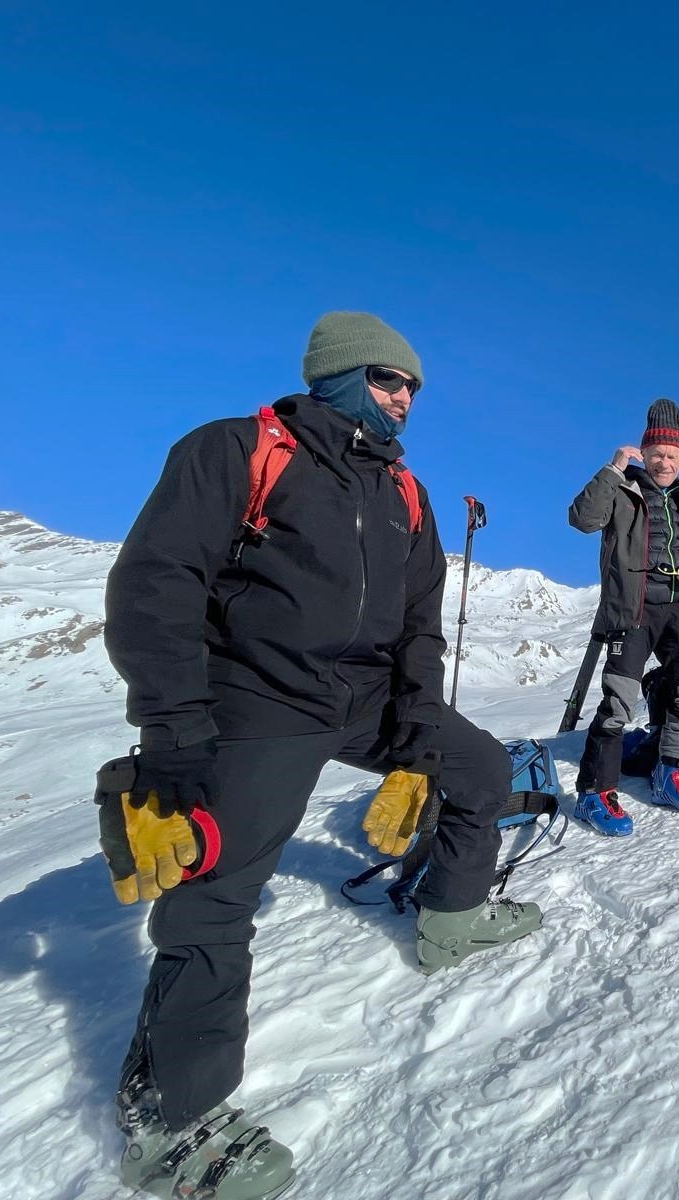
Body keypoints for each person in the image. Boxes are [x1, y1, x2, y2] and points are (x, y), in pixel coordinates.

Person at [102, 312, 541, 1199]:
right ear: (338, 375)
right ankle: (174, 1125)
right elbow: (157, 582)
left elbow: (421, 634)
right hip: (262, 697)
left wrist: (420, 731)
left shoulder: (406, 500)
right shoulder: (237, 452)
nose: (405, 399)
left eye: (414, 386)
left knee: (485, 771)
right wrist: (176, 728)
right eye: (389, 380)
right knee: (215, 895)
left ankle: (448, 920)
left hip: (368, 698)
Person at [569, 399, 679, 834]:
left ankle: (671, 776)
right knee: (618, 704)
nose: (664, 462)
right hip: (632, 612)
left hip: (678, 611)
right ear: (643, 454)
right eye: (656, 455)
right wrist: (613, 469)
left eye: (672, 456)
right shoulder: (622, 489)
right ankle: (594, 794)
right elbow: (582, 518)